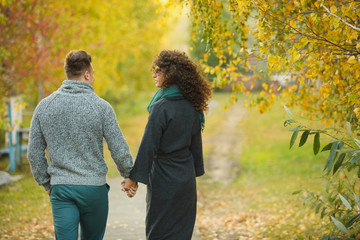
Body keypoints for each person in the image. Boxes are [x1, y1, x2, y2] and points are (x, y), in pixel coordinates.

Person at [27, 50, 137, 240]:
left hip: (61, 189)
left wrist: (46, 182)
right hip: (93, 189)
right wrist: (129, 175)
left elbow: (34, 152)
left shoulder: (44, 106)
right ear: (87, 74)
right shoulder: (102, 107)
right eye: (93, 73)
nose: (93, 77)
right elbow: (118, 148)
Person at [123, 50, 212, 239]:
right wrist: (194, 173)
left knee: (159, 232)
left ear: (170, 74)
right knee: (182, 232)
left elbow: (149, 146)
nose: (154, 75)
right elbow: (196, 145)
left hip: (163, 179)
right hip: (186, 180)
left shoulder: (160, 107)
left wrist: (133, 178)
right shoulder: (194, 107)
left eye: (158, 71)